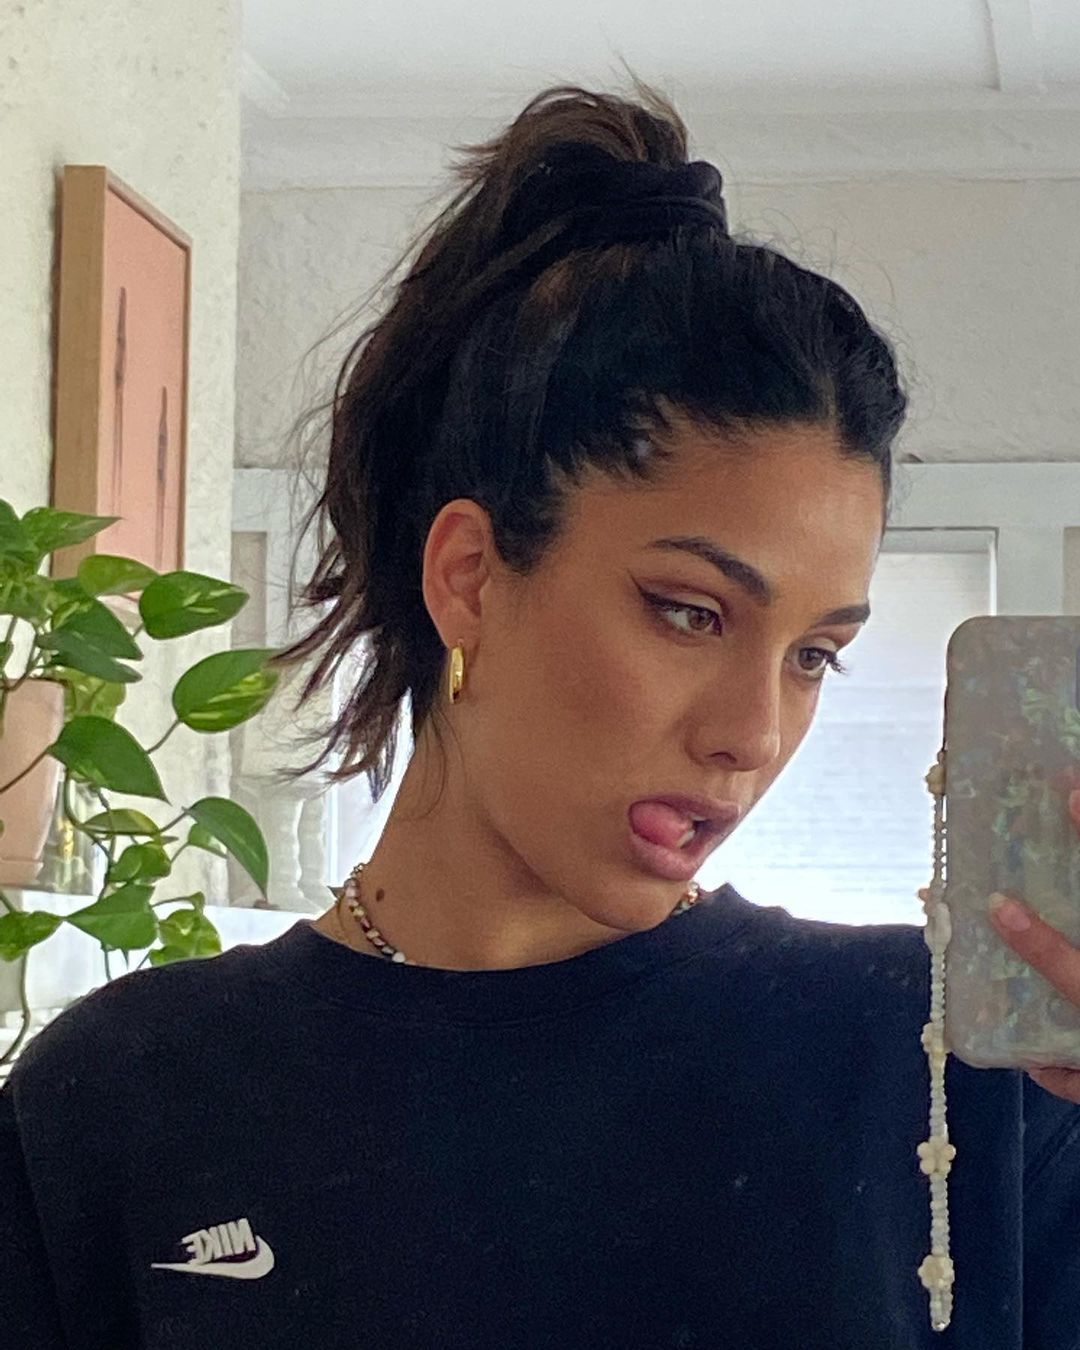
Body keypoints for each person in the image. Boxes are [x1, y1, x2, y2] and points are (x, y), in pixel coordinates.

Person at [3, 82, 1080, 1350]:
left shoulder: (950, 1069)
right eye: (690, 613)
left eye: (815, 657)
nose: (753, 734)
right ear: (470, 576)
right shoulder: (125, 1101)